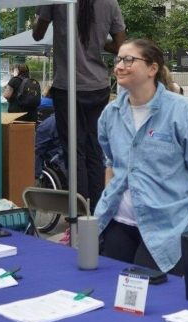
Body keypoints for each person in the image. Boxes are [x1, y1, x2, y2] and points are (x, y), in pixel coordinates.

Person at [96, 39, 188, 275]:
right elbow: (111, 163)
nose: (119, 66)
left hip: (166, 231)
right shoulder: (110, 113)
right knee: (113, 296)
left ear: (152, 69)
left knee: (153, 301)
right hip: (117, 225)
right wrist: (110, 200)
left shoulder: (183, 113)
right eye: (118, 59)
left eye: (128, 59)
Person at [33, 0, 126, 212]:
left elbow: (38, 34)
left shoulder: (57, 1)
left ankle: (80, 212)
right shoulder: (110, 2)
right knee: (95, 150)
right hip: (98, 86)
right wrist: (99, 42)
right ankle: (99, 213)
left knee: (74, 152)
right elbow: (121, 45)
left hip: (68, 86)